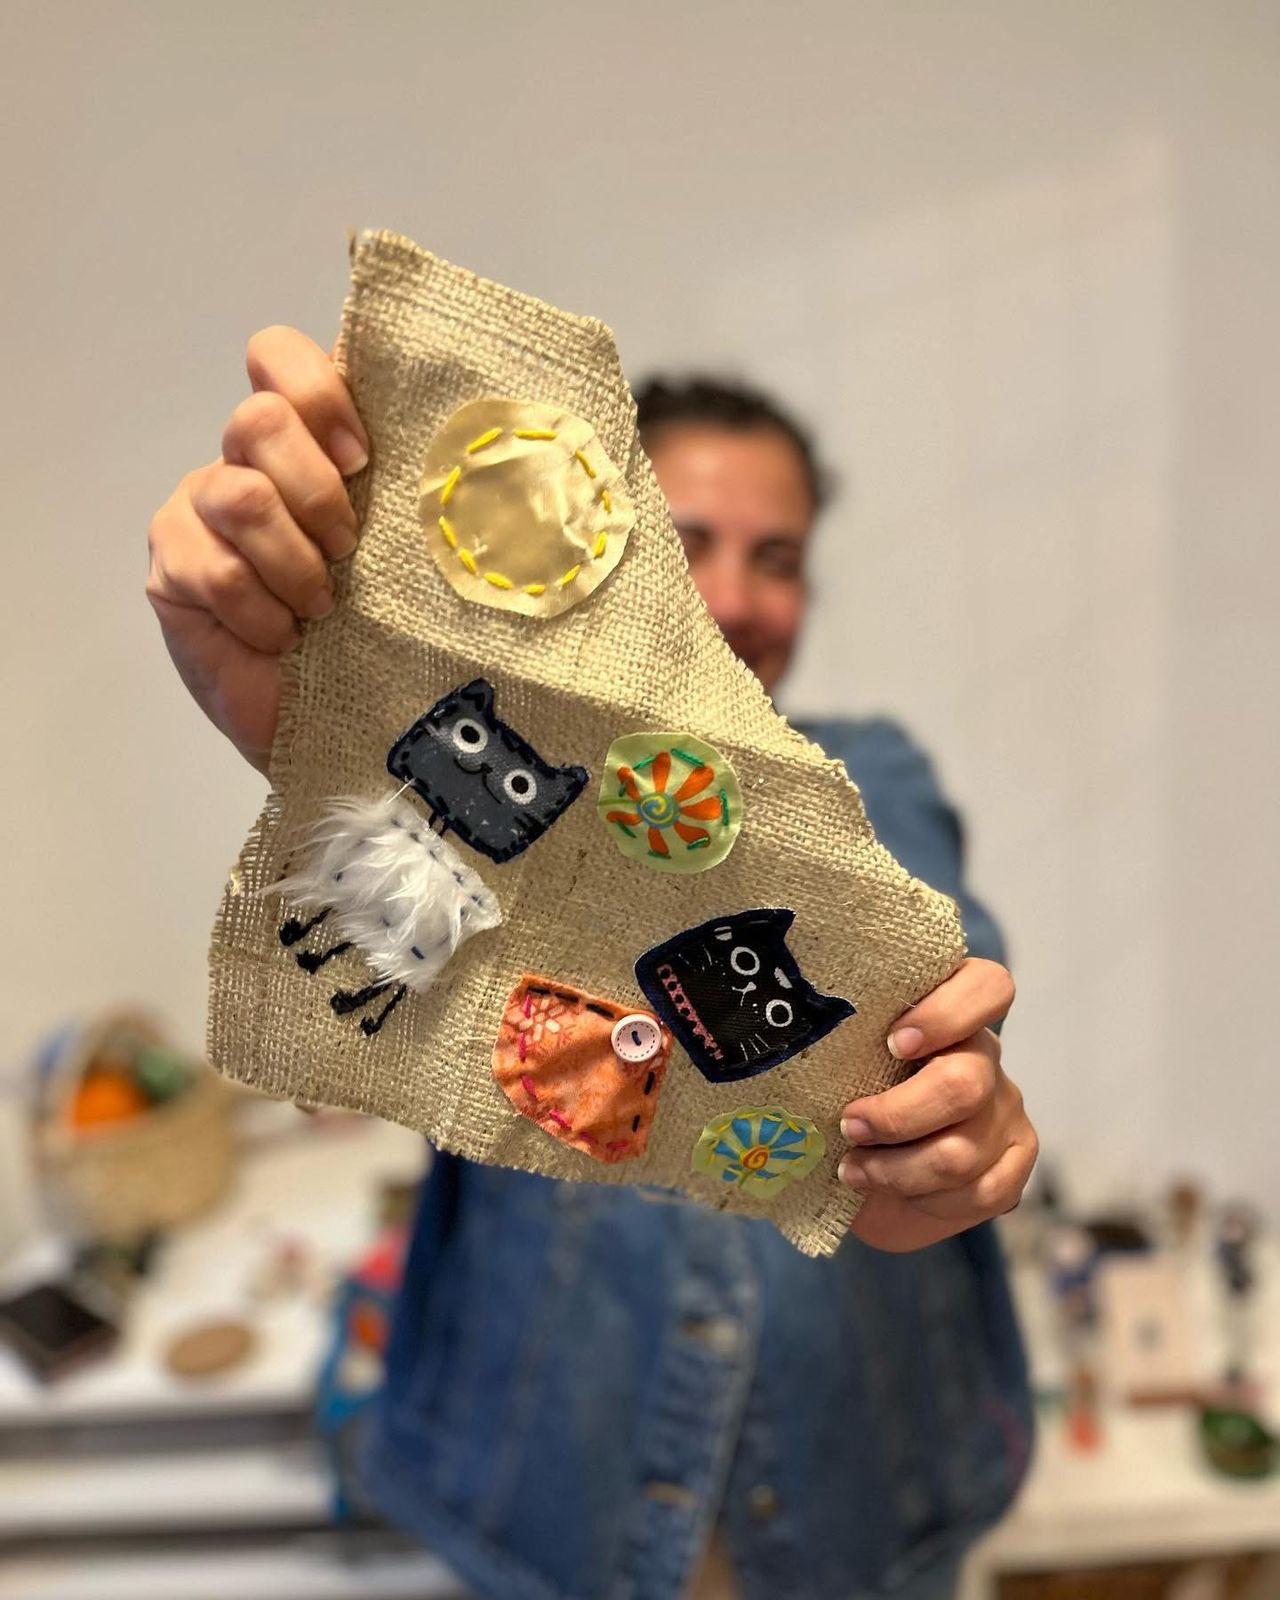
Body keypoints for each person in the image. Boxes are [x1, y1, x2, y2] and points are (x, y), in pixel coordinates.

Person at [147, 328, 1039, 1600]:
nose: (733, 597)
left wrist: (953, 1107)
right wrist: (323, 743)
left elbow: (942, 972)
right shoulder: (487, 778)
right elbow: (392, 985)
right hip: (544, 1502)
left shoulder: (873, 777)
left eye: (776, 557)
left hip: (861, 1500)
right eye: (687, 545)